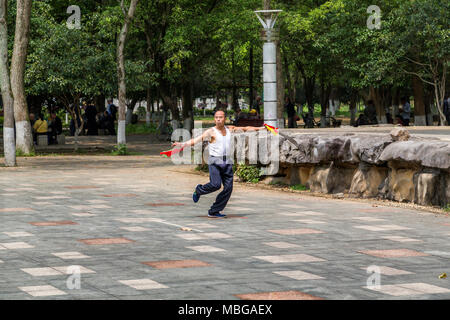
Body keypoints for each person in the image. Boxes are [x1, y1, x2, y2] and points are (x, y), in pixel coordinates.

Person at [172, 108, 266, 218]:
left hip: (227, 161)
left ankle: (214, 211)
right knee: (215, 185)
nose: (218, 120)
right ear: (214, 119)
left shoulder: (230, 129)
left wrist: (262, 128)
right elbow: (195, 140)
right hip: (215, 161)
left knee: (228, 189)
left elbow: (246, 128)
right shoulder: (211, 131)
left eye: (220, 117)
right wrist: (181, 144)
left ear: (224, 119)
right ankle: (199, 190)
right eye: (216, 118)